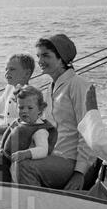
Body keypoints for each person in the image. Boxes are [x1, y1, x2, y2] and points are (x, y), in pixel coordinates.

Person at [14, 34, 93, 192]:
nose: (40, 61)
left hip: (70, 159)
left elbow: (89, 133)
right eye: (38, 56)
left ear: (61, 58)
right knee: (1, 150)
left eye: (46, 55)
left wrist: (79, 172)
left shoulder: (78, 85)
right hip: (51, 152)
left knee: (24, 166)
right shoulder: (52, 86)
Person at [0, 85, 57, 183]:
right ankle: (3, 185)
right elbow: (9, 132)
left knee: (18, 175)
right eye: (21, 107)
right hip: (12, 158)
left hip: (26, 163)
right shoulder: (18, 122)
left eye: (30, 108)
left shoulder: (39, 130)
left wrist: (26, 154)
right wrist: (2, 146)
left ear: (40, 109)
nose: (25, 111)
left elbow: (43, 150)